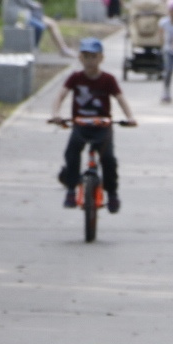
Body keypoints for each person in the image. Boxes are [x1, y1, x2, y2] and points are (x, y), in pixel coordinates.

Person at [50, 37, 138, 213]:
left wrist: (130, 117)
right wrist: (56, 115)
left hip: (102, 126)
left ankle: (112, 194)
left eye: (94, 57)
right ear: (80, 58)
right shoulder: (75, 78)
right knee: (71, 154)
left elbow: (120, 99)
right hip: (80, 125)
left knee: (108, 160)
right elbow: (60, 96)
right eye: (86, 56)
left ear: (101, 58)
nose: (90, 60)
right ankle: (70, 190)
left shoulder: (108, 79)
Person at [2, 0, 75, 57]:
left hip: (23, 14)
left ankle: (63, 49)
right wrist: (36, 5)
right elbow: (25, 2)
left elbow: (25, 1)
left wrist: (35, 4)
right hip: (18, 17)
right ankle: (33, 48)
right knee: (39, 27)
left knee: (50, 23)